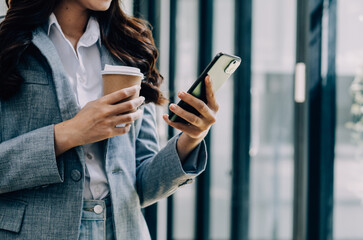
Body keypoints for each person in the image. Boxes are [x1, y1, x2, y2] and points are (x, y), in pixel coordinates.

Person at [0, 0, 219, 239]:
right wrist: (70, 133)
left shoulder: (128, 48)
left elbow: (141, 185)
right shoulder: (8, 47)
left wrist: (191, 138)